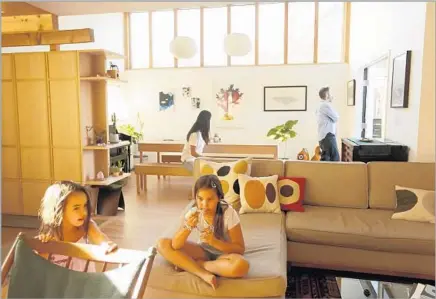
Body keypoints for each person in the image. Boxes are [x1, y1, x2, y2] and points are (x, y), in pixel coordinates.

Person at [157, 175, 249, 290]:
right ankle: (202, 273)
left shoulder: (228, 213)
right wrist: (188, 227)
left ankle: (200, 265)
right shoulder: (193, 212)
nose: (204, 205)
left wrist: (214, 242)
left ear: (219, 198)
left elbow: (240, 249)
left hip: (225, 255)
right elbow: (176, 245)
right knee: (162, 244)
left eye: (210, 199)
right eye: (200, 199)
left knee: (241, 265)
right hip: (203, 251)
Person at [37, 181, 118, 271]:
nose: (83, 212)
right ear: (59, 209)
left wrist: (106, 244)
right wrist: (43, 247)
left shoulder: (87, 226)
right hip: (62, 281)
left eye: (85, 206)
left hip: (84, 280)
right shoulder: (50, 233)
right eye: (76, 208)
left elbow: (99, 237)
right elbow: (41, 265)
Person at [316, 87, 340, 161]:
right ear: (327, 95)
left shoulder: (321, 105)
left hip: (324, 136)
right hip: (328, 136)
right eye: (331, 93)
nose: (332, 96)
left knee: (326, 160)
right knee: (335, 159)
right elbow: (336, 118)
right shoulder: (325, 105)